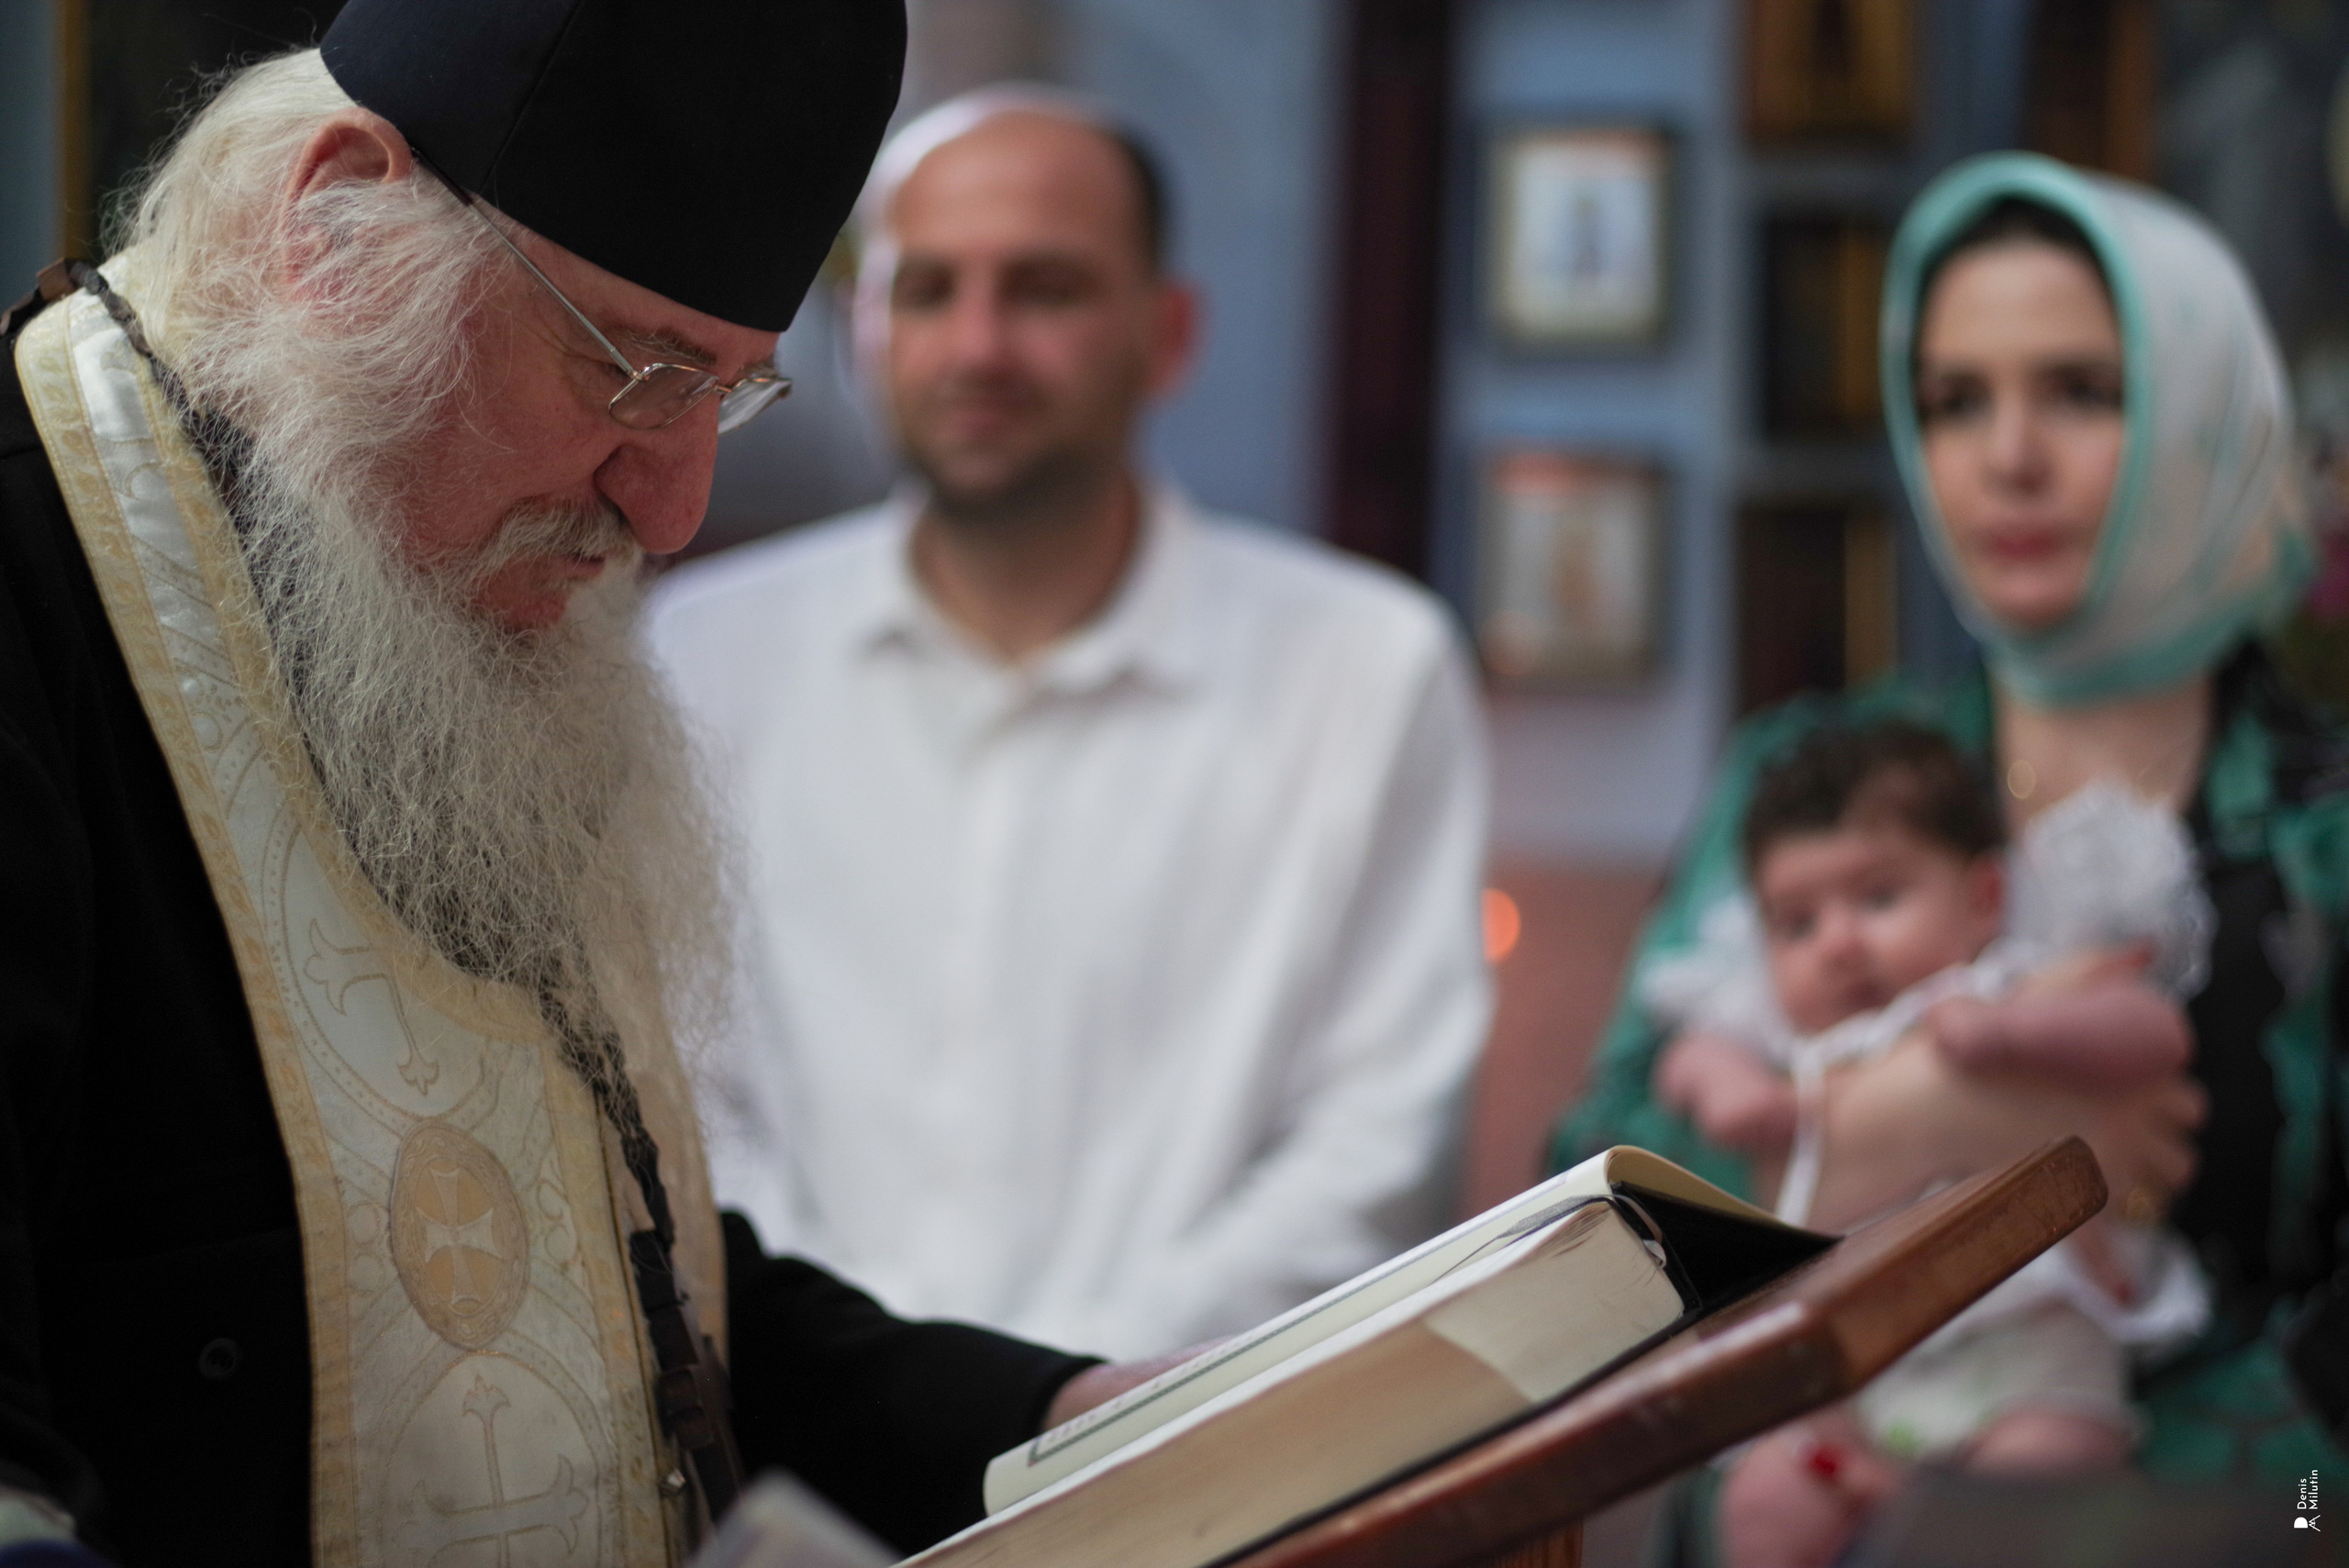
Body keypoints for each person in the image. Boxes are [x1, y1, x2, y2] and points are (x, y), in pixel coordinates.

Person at [0, 6, 1167, 1563]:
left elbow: (586, 1276)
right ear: (336, 227)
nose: (671, 509)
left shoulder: (446, 603)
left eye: (731, 392)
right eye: (633, 369)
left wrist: (1081, 1414)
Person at [1553, 153, 2349, 1568]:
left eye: (2083, 391)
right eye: (1954, 400)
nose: (2008, 458)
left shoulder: (2323, 821)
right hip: (1814, 1481)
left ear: (2209, 413)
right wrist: (1906, 1122)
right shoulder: (1816, 769)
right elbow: (1586, 1206)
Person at [648, 88, 1491, 1360]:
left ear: (1170, 333)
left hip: (1194, 1474)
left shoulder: (1368, 668)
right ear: (859, 328)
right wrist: (882, 1390)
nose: (977, 345)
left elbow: (1379, 1146)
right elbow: (670, 1093)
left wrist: (1058, 1410)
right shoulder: (696, 652)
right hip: (790, 1452)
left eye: (1043, 289)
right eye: (925, 290)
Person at [1651, 720, 2213, 1561]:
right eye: (1796, 923)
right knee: (1762, 1507)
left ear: (1982, 897)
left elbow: (2153, 1029)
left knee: (2044, 1474)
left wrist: (2015, 1039)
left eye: (1878, 899)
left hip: (2022, 1358)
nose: (1837, 943)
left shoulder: (2010, 981)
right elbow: (1685, 1057)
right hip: (1846, 1376)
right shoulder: (1774, 1030)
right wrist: (1730, 1091)